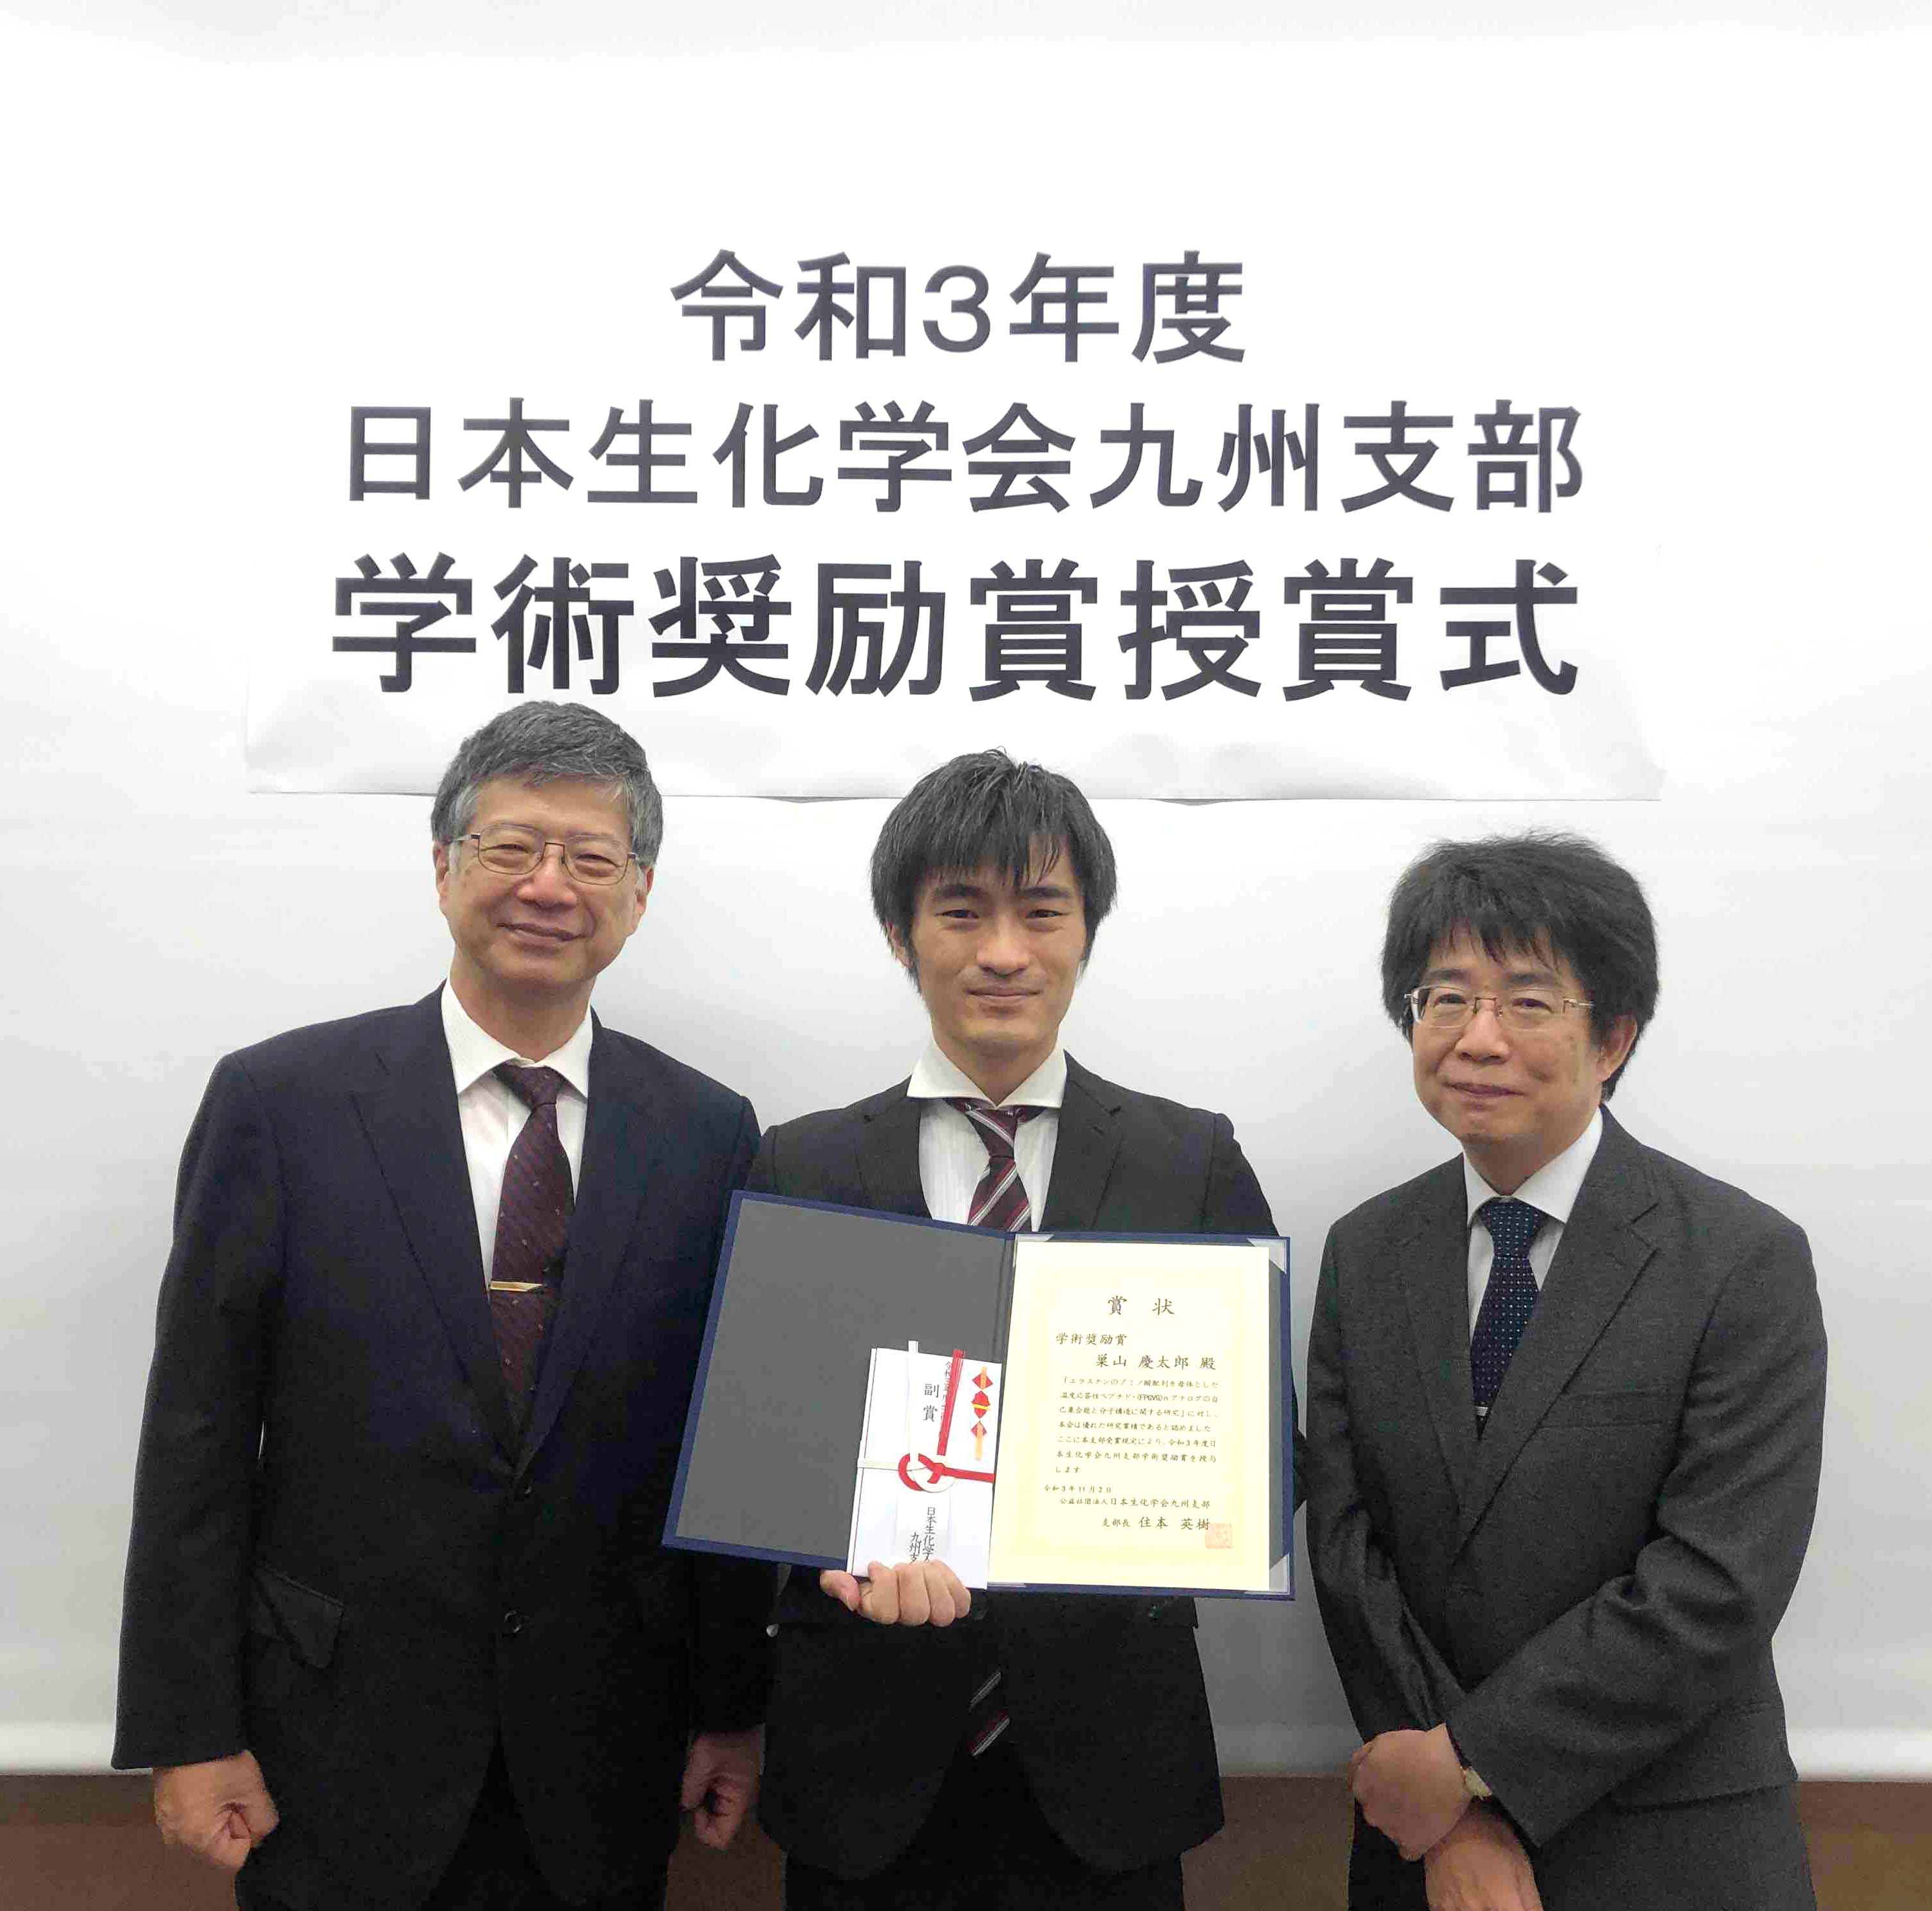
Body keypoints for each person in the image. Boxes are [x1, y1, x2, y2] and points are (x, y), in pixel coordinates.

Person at [114, 702, 772, 1911]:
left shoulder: (708, 1131)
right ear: (443, 867)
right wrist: (188, 1728)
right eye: (510, 846)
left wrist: (732, 1708)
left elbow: (722, 1446)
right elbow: (197, 1435)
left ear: (639, 894)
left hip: (605, 1752)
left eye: (591, 858)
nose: (548, 886)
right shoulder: (282, 1103)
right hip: (329, 1744)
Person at [748, 749, 1293, 1911]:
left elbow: (1262, 1455)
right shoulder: (804, 1162)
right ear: (901, 936)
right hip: (860, 1766)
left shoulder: (1188, 1160)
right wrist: (838, 1552)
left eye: (1043, 912)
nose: (1004, 952)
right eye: (961, 913)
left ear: (1087, 933)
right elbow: (766, 1443)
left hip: (1111, 1770)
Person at [1307, 833, 1825, 1911]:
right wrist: (1449, 1815)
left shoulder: (1741, 1259)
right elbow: (1350, 1547)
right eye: (1446, 998)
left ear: (1614, 1036)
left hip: (1670, 1843)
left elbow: (1717, 1583)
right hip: (1424, 1851)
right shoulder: (1366, 1251)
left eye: (1529, 1002)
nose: (1477, 1037)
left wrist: (1472, 1768)